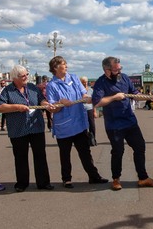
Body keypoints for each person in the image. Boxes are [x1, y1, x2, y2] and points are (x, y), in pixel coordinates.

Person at [92, 56, 153, 190]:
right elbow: (97, 102)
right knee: (118, 151)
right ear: (107, 71)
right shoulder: (100, 83)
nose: (119, 72)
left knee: (140, 147)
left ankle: (143, 178)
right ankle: (116, 179)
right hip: (114, 124)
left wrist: (149, 97)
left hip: (130, 120)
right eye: (116, 70)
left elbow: (134, 93)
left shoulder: (124, 77)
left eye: (120, 69)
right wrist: (114, 97)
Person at [46, 57, 108, 189]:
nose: (66, 66)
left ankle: (94, 176)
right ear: (56, 68)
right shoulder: (51, 86)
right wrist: (60, 101)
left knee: (85, 152)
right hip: (63, 126)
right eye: (64, 64)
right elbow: (54, 109)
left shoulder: (74, 78)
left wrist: (88, 99)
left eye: (66, 64)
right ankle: (66, 179)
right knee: (65, 154)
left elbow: (83, 95)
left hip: (79, 123)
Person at [0, 65, 55, 192]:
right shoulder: (7, 91)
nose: (26, 77)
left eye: (27, 75)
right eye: (23, 76)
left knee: (40, 155)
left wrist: (47, 105)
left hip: (36, 127)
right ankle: (22, 183)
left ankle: (43, 182)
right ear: (15, 78)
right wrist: (16, 107)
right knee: (20, 157)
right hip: (18, 129)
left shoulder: (32, 87)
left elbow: (41, 100)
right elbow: (0, 107)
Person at [80, 76, 98, 145]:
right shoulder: (79, 91)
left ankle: (93, 139)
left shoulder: (90, 90)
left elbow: (94, 102)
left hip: (90, 109)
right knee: (83, 125)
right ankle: (84, 140)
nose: (85, 83)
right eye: (83, 82)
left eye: (86, 82)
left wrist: (94, 111)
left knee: (92, 125)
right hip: (82, 109)